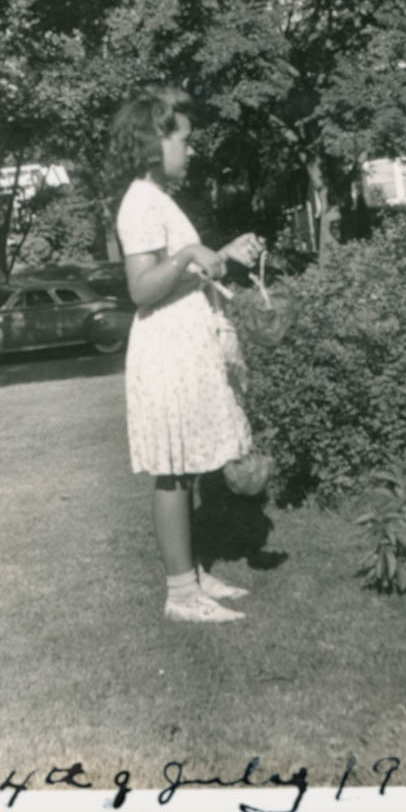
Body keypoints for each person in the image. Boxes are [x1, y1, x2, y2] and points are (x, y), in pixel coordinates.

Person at [112, 87, 264, 623]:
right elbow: (141, 288)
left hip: (183, 343)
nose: (192, 149)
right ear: (155, 143)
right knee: (172, 470)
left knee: (187, 465)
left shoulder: (158, 199)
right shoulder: (139, 202)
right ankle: (180, 594)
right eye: (184, 139)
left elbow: (181, 273)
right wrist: (187, 254)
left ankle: (192, 574)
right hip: (165, 349)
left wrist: (223, 254)